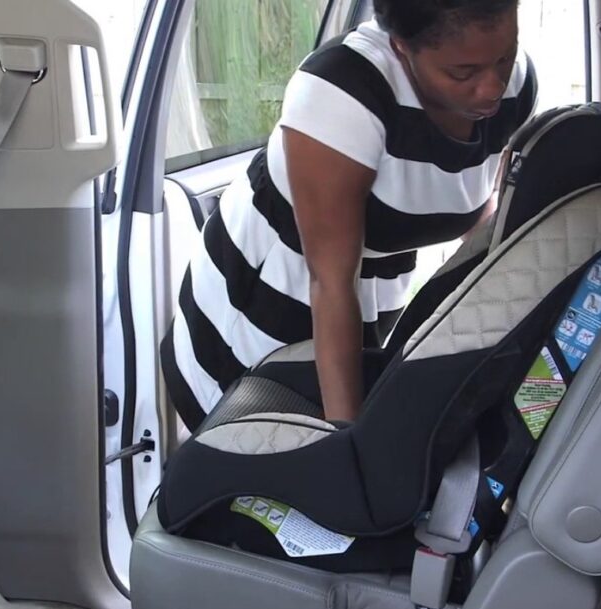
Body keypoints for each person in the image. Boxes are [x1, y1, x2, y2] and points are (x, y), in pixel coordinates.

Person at [161, 0, 537, 431]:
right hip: (276, 285)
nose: (492, 88)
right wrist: (344, 443)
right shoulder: (342, 93)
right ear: (401, 48)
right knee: (249, 450)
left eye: (504, 58)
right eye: (463, 73)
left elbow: (475, 204)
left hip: (372, 286)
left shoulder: (516, 85)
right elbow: (331, 283)